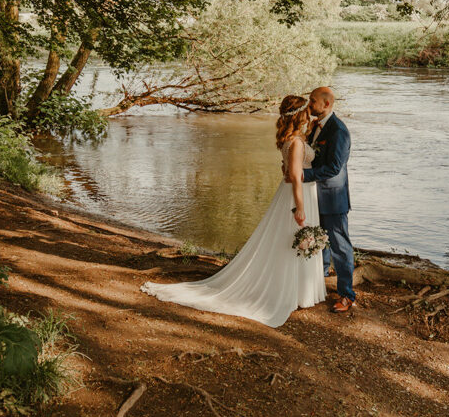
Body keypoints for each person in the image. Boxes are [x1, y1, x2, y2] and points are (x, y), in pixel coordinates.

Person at [140, 95, 326, 327]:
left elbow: (288, 172)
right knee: (292, 239)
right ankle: (293, 292)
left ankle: (296, 289)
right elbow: (296, 178)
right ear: (299, 115)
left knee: (285, 241)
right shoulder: (297, 143)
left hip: (289, 193)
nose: (310, 115)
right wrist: (299, 208)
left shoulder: (290, 140)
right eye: (307, 112)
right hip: (298, 195)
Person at [301, 86, 356, 313]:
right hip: (315, 195)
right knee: (319, 242)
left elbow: (334, 168)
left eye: (312, 101)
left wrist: (303, 175)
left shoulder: (338, 131)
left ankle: (346, 295)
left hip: (333, 198)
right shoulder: (316, 126)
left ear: (326, 104)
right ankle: (319, 282)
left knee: (340, 247)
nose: (309, 105)